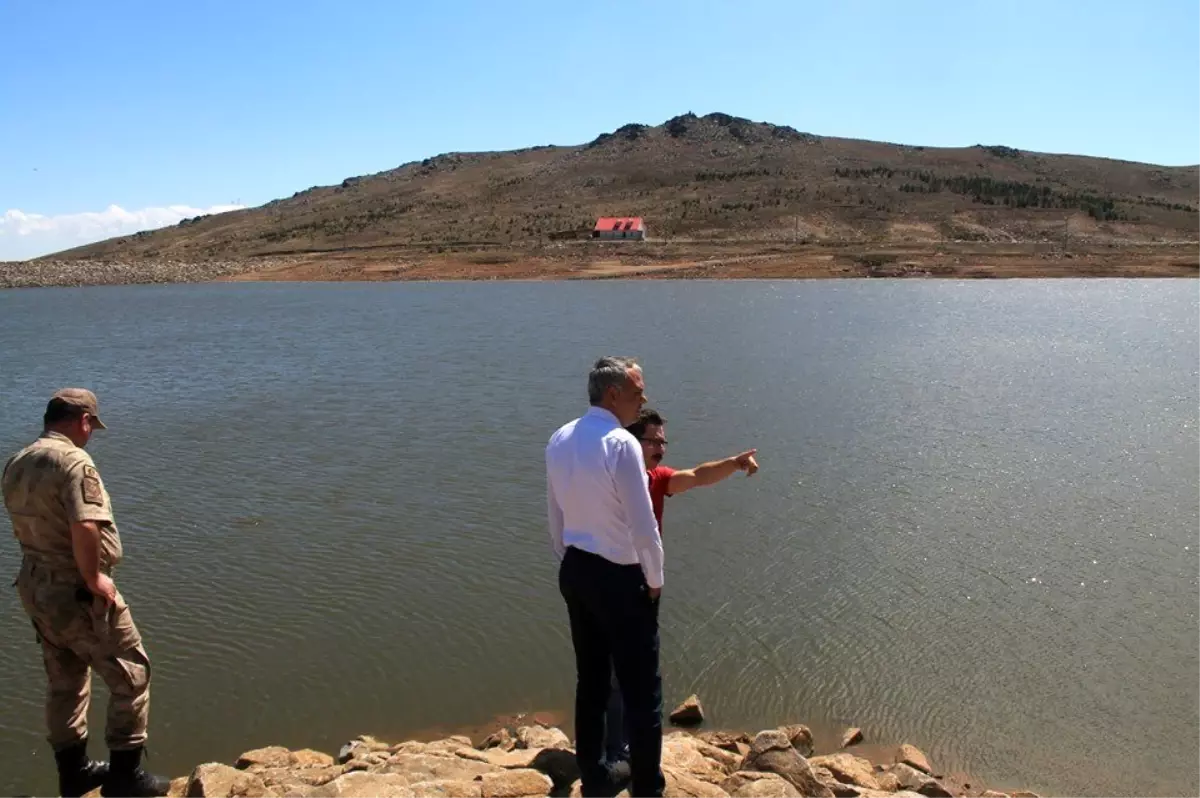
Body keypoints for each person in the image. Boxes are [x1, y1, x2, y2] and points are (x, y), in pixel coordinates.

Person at [2, 389, 170, 798]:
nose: (91, 433)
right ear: (82, 420)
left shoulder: (17, 462)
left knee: (65, 680)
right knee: (131, 674)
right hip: (76, 589)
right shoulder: (74, 462)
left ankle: (74, 773)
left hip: (37, 586)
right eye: (91, 425)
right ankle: (125, 777)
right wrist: (94, 579)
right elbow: (86, 524)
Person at [603, 408, 759, 764]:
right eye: (653, 440)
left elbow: (697, 476)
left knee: (636, 672)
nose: (661, 447)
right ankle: (613, 750)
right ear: (631, 441)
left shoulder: (656, 479)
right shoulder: (609, 479)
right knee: (613, 673)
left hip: (644, 586)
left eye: (663, 441)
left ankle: (624, 744)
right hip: (612, 582)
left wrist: (734, 463)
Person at [546, 357, 666, 798]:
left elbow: (554, 517)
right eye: (637, 393)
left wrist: (571, 561)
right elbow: (642, 523)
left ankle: (596, 780)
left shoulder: (560, 438)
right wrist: (654, 578)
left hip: (577, 571)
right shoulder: (621, 443)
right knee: (642, 690)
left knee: (591, 680)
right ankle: (648, 788)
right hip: (620, 577)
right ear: (613, 394)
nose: (643, 401)